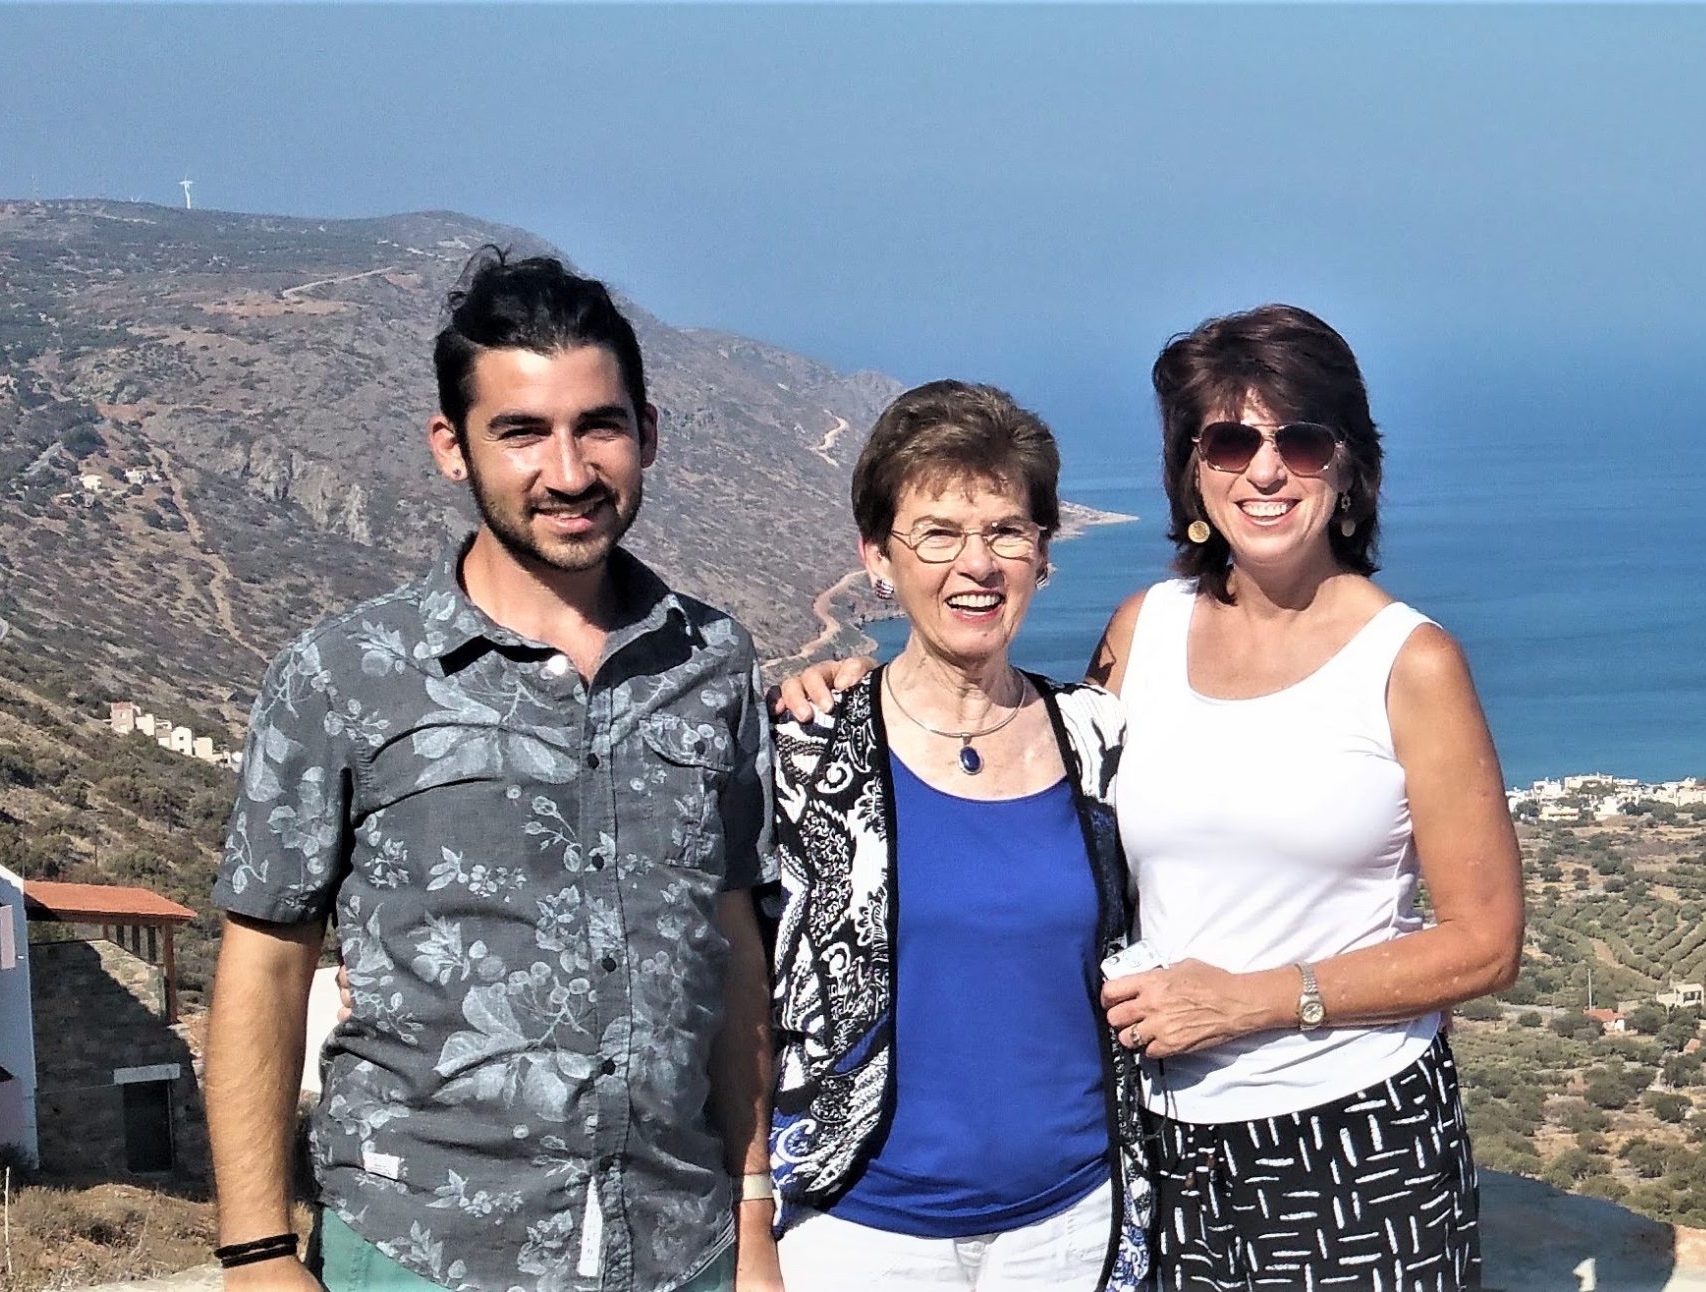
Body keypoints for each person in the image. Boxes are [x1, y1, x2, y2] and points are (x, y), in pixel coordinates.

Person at [779, 306, 1523, 1291]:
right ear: (1192, 471)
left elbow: (1484, 939)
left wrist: (1251, 1000)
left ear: (1345, 466)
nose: (1263, 469)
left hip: (1345, 1131)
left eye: (1297, 439)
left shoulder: (1406, 662)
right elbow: (1022, 757)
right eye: (1227, 439)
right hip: (1155, 1147)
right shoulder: (1145, 632)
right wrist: (846, 694)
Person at [205, 250, 781, 1292]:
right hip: (425, 1249)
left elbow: (731, 945)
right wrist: (254, 1249)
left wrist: (751, 1214)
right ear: (449, 447)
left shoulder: (712, 661)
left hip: (678, 1243)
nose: (567, 471)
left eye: (597, 425)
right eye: (521, 432)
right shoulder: (344, 676)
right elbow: (265, 959)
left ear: (646, 432)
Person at [766, 381, 1153, 1292]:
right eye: (937, 534)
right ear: (877, 557)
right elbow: (744, 1003)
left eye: (1007, 532)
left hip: (1072, 1228)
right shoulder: (803, 753)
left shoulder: (1101, 742)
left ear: (1042, 554)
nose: (975, 566)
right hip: (856, 1234)